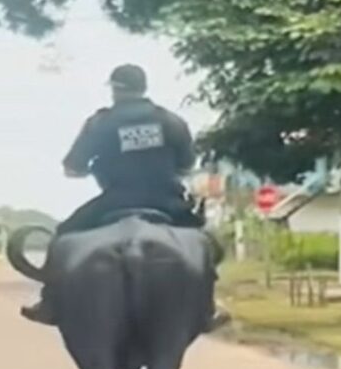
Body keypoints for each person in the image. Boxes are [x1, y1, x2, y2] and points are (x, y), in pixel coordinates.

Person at [21, 64, 228, 330]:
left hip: (115, 201)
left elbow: (73, 167)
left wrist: (87, 168)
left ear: (115, 89)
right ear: (143, 88)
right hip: (168, 202)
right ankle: (207, 308)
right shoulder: (170, 121)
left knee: (62, 235)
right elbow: (187, 165)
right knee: (205, 244)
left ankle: (49, 303)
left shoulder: (100, 123)